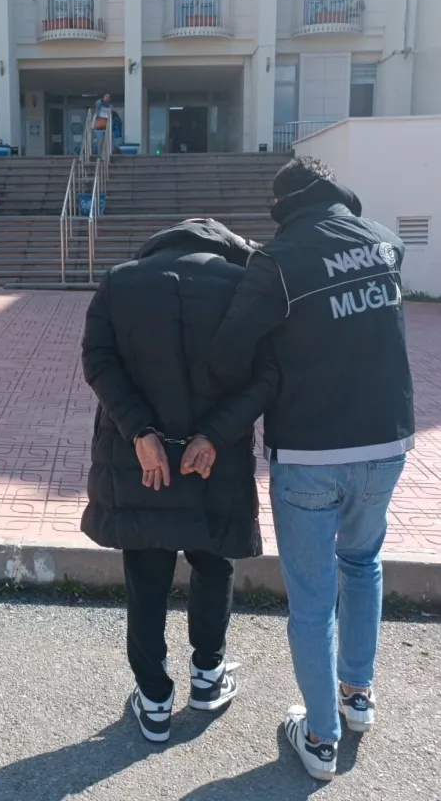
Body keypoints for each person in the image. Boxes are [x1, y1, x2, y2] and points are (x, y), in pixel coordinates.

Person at [208, 156, 415, 781]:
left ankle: (321, 738)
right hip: (386, 442)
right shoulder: (384, 242)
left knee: (312, 596)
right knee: (363, 563)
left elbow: (227, 352)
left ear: (283, 207)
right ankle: (357, 696)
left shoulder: (277, 261)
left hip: (309, 452)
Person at [81, 218, 279, 744]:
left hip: (141, 461)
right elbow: (266, 374)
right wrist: (213, 435)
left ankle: (153, 699)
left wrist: (139, 431)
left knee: (146, 573)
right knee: (213, 564)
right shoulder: (241, 285)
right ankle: (208, 676)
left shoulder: (120, 280)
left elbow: (97, 361)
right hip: (215, 460)